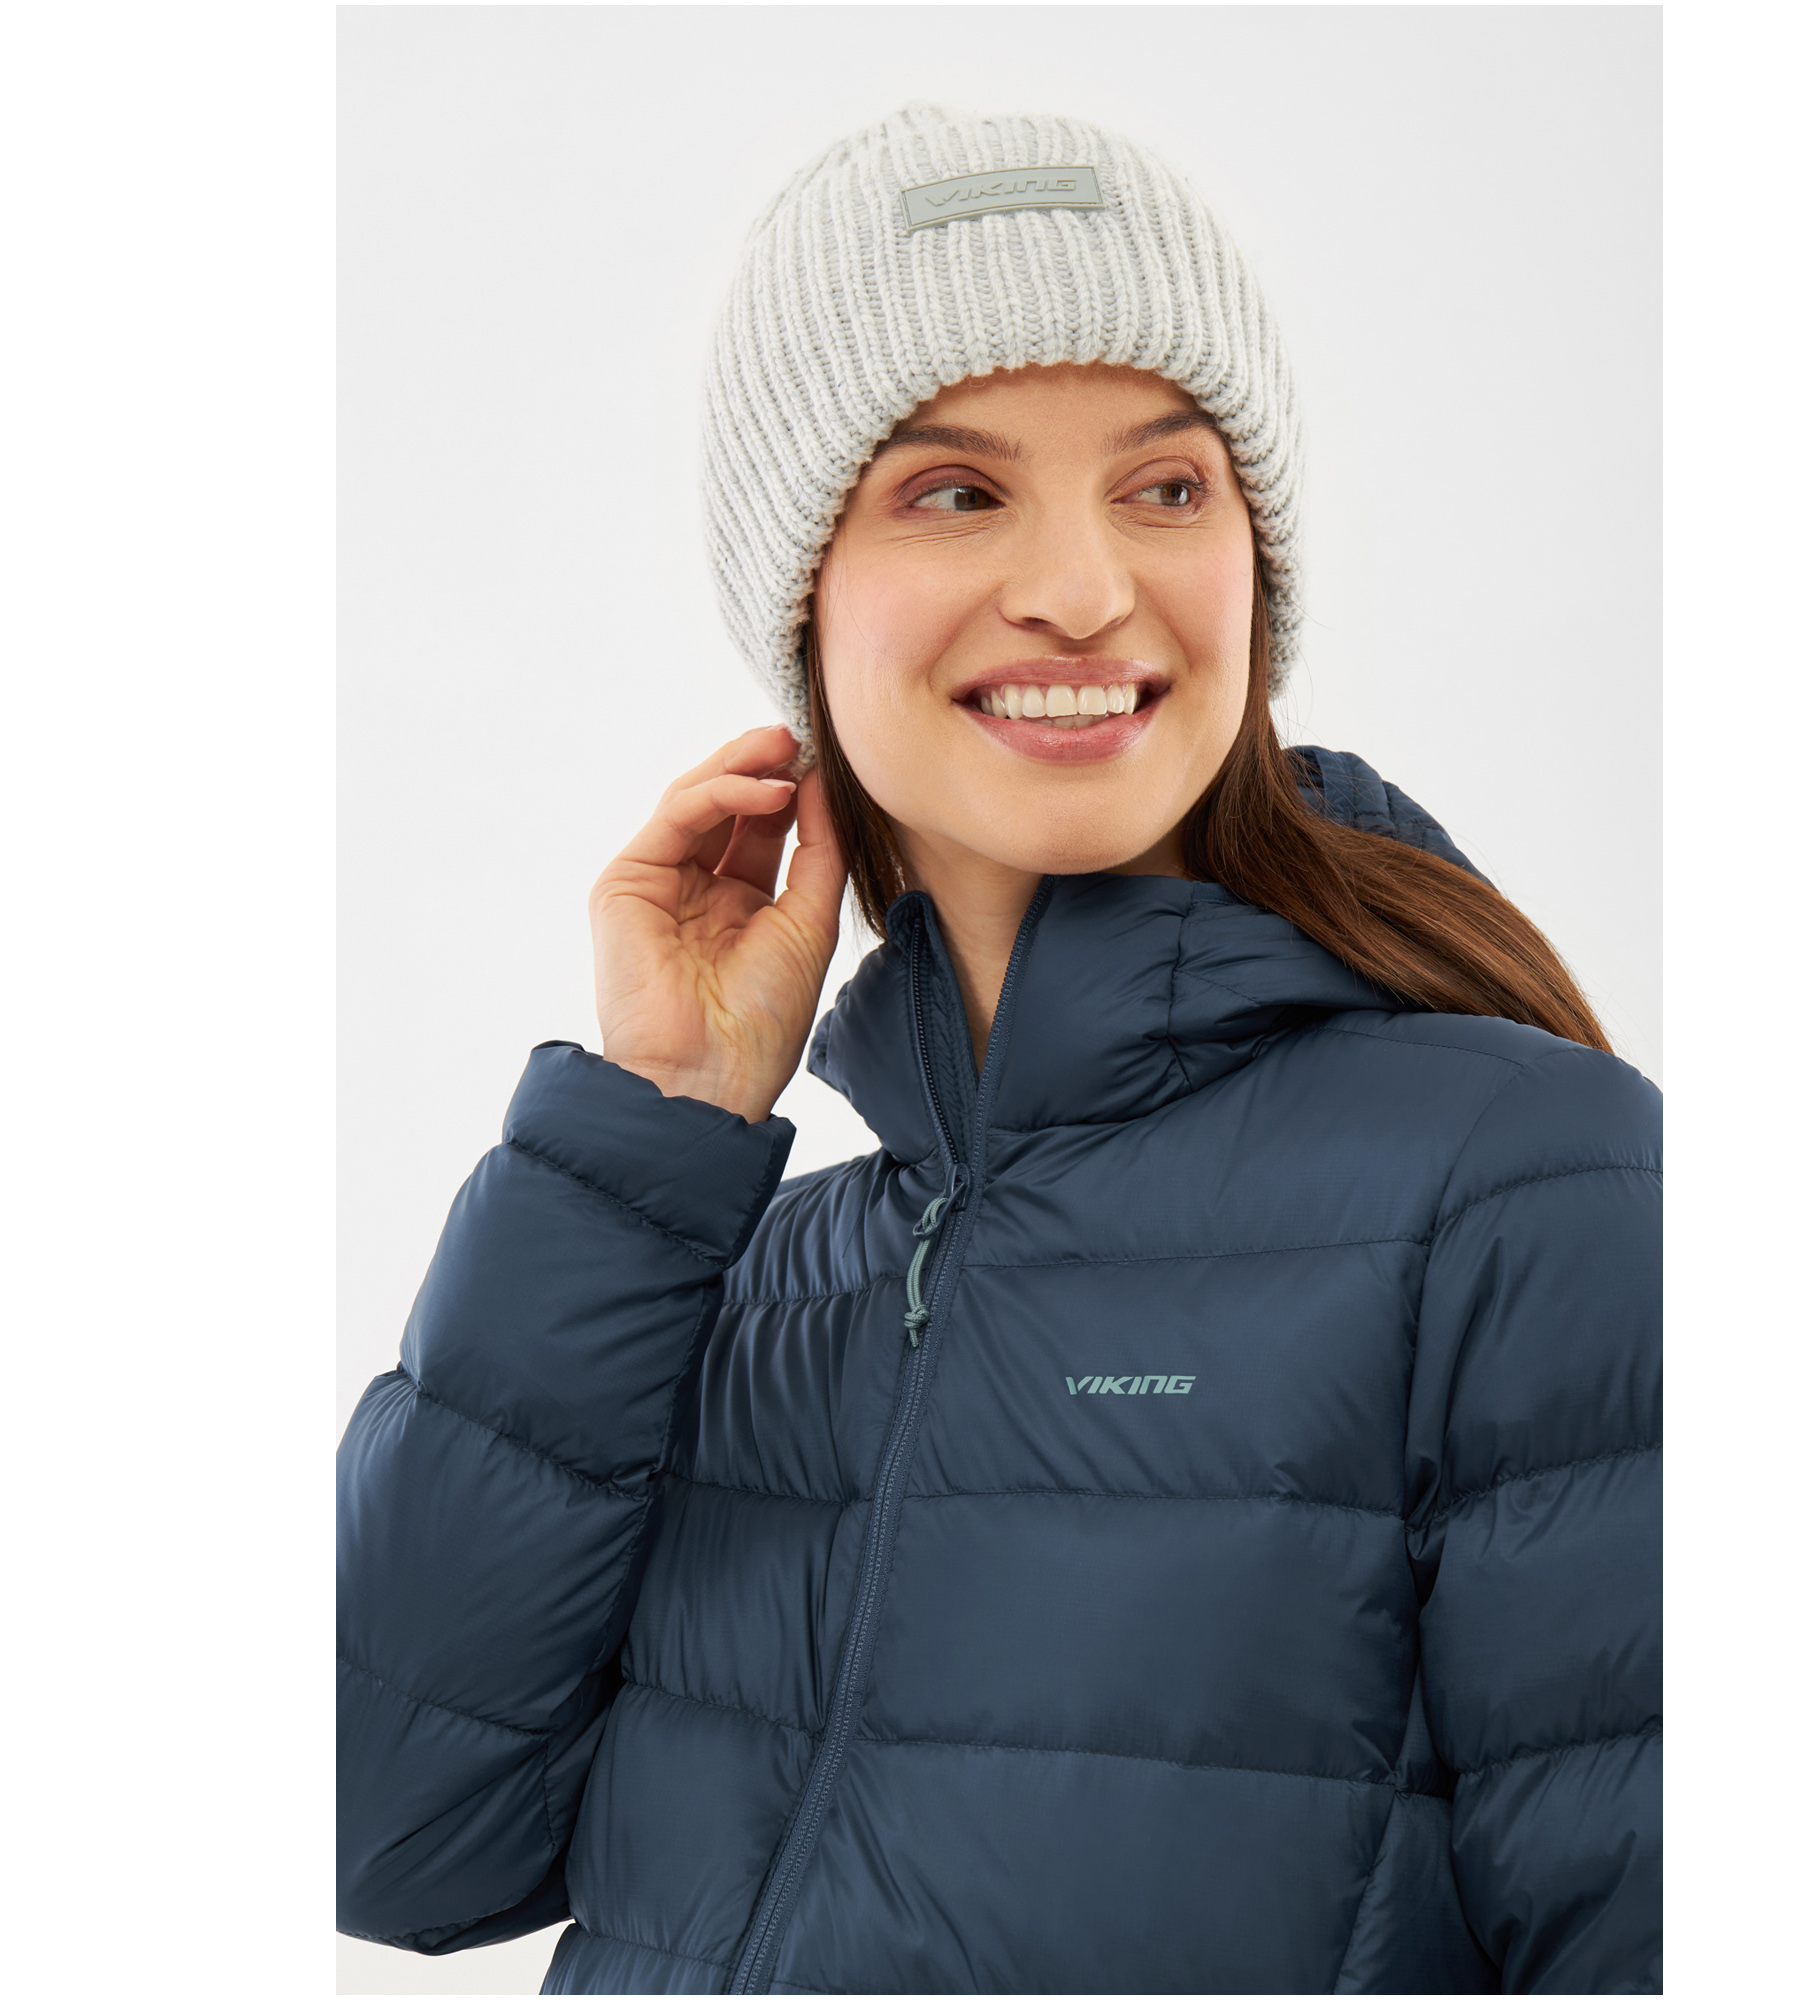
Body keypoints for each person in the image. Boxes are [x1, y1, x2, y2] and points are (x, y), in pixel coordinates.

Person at [337, 104, 1661, 1995]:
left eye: (1167, 487)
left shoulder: (1527, 1195)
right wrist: (646, 1144)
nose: (1085, 588)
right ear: (804, 597)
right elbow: (384, 1833)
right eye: (956, 493)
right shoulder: (752, 1277)